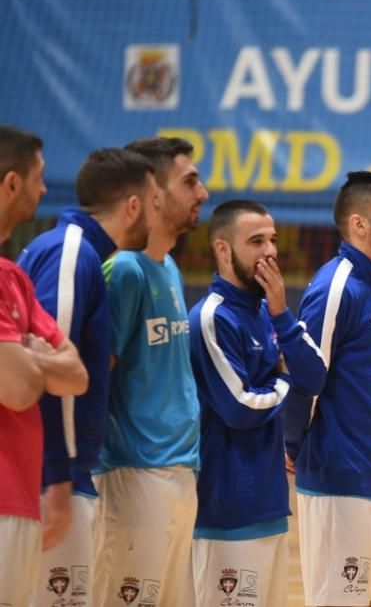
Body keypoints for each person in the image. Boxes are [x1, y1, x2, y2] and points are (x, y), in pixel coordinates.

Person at [17, 147, 158, 606]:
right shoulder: (72, 253)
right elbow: (49, 371)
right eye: (154, 202)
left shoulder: (73, 251)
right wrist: (60, 478)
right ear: (133, 206)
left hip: (56, 474)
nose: (157, 214)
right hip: (54, 478)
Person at [188, 201, 327, 607]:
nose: (269, 251)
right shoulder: (212, 318)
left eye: (272, 240)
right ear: (223, 250)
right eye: (255, 241)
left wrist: (283, 316)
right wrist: (283, 378)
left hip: (269, 505)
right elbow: (241, 408)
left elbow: (315, 377)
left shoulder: (270, 310)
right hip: (226, 508)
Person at [283, 171, 371, 607]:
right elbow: (306, 375)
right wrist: (292, 444)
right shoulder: (336, 285)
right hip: (340, 482)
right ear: (360, 225)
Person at [92, 136, 208, 606]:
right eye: (190, 181)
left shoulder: (169, 269)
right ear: (154, 194)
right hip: (134, 472)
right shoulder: (125, 271)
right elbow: (99, 375)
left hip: (179, 470)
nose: (202, 192)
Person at [0, 125, 88, 606]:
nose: (42, 189)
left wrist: (28, 357)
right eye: (38, 178)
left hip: (19, 498)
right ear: (12, 183)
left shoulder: (13, 276)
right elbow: (17, 388)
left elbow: (77, 375)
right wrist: (37, 357)